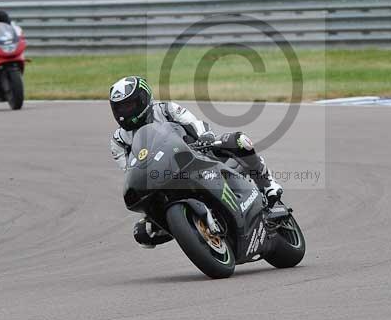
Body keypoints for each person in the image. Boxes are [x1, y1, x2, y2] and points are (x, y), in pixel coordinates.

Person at [108, 75, 284, 248]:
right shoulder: (119, 141)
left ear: (143, 99)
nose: (124, 113)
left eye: (129, 106)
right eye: (120, 108)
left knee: (239, 141)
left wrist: (204, 137)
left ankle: (268, 185)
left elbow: (194, 122)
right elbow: (131, 171)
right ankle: (187, 229)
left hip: (197, 155)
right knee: (143, 232)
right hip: (163, 177)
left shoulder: (166, 109)